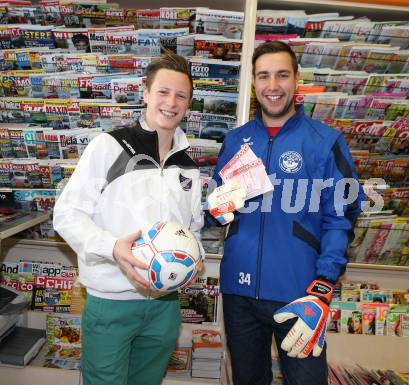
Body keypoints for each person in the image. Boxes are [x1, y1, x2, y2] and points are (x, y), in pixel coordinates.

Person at [207, 41, 363, 385]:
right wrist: (216, 206)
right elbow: (216, 213)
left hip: (301, 292)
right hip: (240, 292)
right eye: (263, 76)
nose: (272, 86)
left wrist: (323, 285)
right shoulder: (236, 141)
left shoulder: (325, 141)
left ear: (296, 80)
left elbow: (342, 216)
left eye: (281, 75)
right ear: (253, 83)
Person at [53, 52, 204, 385]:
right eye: (163, 92)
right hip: (111, 302)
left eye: (180, 95)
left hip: (165, 306)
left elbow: (191, 229)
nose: (171, 102)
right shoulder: (108, 147)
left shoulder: (189, 166)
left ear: (188, 103)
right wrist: (112, 247)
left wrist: (197, 258)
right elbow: (66, 214)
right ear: (146, 93)